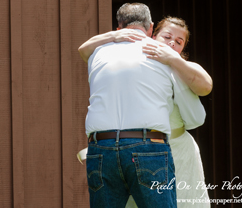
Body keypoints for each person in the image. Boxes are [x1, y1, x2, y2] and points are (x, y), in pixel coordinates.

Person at [78, 16, 212, 207]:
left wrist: (173, 61)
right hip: (138, 150)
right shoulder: (130, 63)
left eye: (179, 42)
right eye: (167, 37)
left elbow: (199, 111)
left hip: (177, 152)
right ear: (152, 35)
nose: (172, 43)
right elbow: (83, 51)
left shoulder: (183, 70)